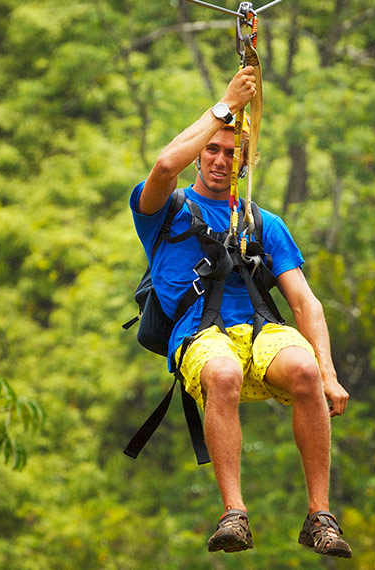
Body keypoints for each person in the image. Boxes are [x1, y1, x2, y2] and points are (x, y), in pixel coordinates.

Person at [129, 66, 352, 558]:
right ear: (200, 153)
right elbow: (165, 165)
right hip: (199, 334)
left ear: (245, 163)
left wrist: (329, 373)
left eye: (232, 153)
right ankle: (235, 513)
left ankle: (320, 515)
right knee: (224, 374)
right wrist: (226, 107)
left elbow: (303, 301)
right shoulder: (165, 211)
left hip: (258, 328)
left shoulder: (261, 222)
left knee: (304, 369)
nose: (220, 159)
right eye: (213, 149)